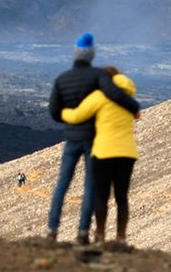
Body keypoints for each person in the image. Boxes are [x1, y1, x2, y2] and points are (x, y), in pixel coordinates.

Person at [46, 33, 140, 243]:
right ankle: (84, 232)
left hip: (72, 137)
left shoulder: (62, 79)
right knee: (92, 186)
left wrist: (67, 118)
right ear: (91, 55)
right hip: (94, 139)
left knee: (62, 183)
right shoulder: (98, 76)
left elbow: (55, 110)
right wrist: (133, 106)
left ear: (75, 53)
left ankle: (52, 228)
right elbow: (113, 94)